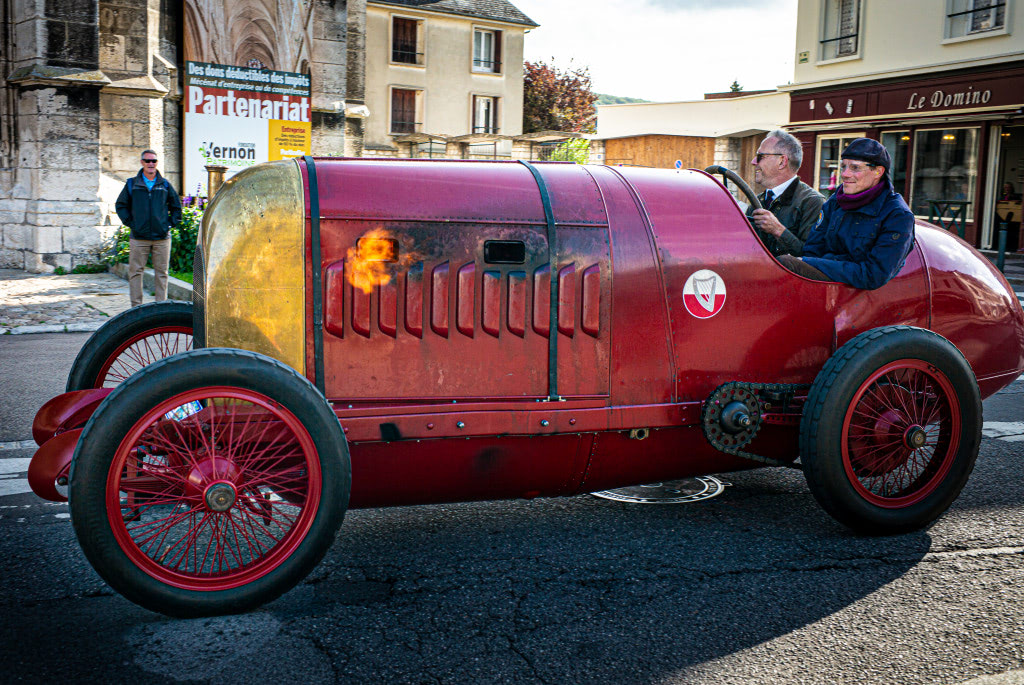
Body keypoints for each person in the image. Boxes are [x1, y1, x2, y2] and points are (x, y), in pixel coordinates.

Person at [778, 138, 915, 290]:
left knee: (787, 264)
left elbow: (874, 275)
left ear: (878, 172)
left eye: (855, 168)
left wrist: (811, 263)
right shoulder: (835, 202)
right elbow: (812, 250)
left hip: (857, 293)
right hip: (823, 283)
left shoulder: (897, 215)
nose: (845, 174)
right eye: (843, 166)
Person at [116, 149, 181, 307]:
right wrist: (132, 223)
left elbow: (176, 207)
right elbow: (121, 205)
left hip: (162, 238)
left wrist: (168, 224)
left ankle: (161, 308)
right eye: (147, 161)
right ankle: (136, 308)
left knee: (162, 273)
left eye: (154, 161)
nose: (151, 164)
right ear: (142, 163)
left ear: (157, 163)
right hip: (139, 238)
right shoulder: (132, 184)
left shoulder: (164, 184)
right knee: (135, 273)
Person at [745, 129, 825, 257]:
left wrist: (778, 230)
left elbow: (811, 257)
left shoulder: (812, 202)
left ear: (782, 162)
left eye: (760, 156)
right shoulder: (758, 200)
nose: (753, 162)